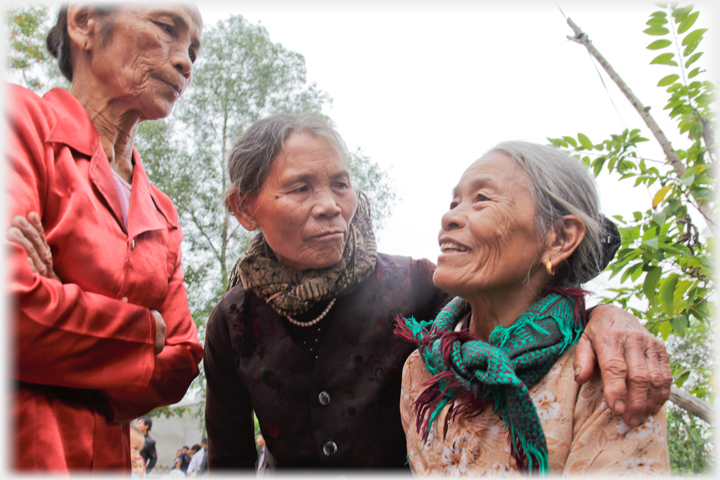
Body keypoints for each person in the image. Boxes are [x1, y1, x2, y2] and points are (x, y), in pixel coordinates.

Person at [203, 114, 672, 470]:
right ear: (244, 208)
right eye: (300, 188)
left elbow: (530, 295)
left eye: (341, 184)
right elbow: (230, 460)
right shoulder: (234, 321)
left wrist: (608, 315)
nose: (329, 206)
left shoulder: (419, 287)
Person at [5, 3, 204, 472]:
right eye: (166, 28)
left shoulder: (162, 210)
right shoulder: (18, 124)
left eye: (194, 49)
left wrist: (57, 301)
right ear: (84, 23)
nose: (186, 62)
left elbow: (182, 361)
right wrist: (145, 331)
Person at [397, 141, 670, 475]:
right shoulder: (422, 368)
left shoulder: (605, 374)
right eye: (454, 202)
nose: (449, 216)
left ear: (559, 239)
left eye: (482, 199)